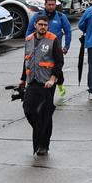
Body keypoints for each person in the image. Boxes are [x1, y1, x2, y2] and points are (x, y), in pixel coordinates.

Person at [20, 14, 64, 156]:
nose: (43, 27)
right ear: (35, 25)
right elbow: (26, 60)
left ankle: (43, 145)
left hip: (46, 83)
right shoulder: (29, 40)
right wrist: (22, 79)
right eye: (40, 24)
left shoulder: (53, 40)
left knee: (45, 114)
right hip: (32, 81)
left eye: (45, 25)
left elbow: (59, 62)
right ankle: (39, 131)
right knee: (28, 109)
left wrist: (53, 79)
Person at [28, 0, 71, 100]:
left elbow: (68, 31)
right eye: (49, 4)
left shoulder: (61, 16)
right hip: (39, 48)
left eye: (53, 4)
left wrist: (66, 46)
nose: (51, 6)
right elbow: (29, 30)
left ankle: (59, 84)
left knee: (57, 67)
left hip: (56, 48)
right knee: (39, 67)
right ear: (45, 5)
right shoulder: (38, 16)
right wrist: (28, 43)